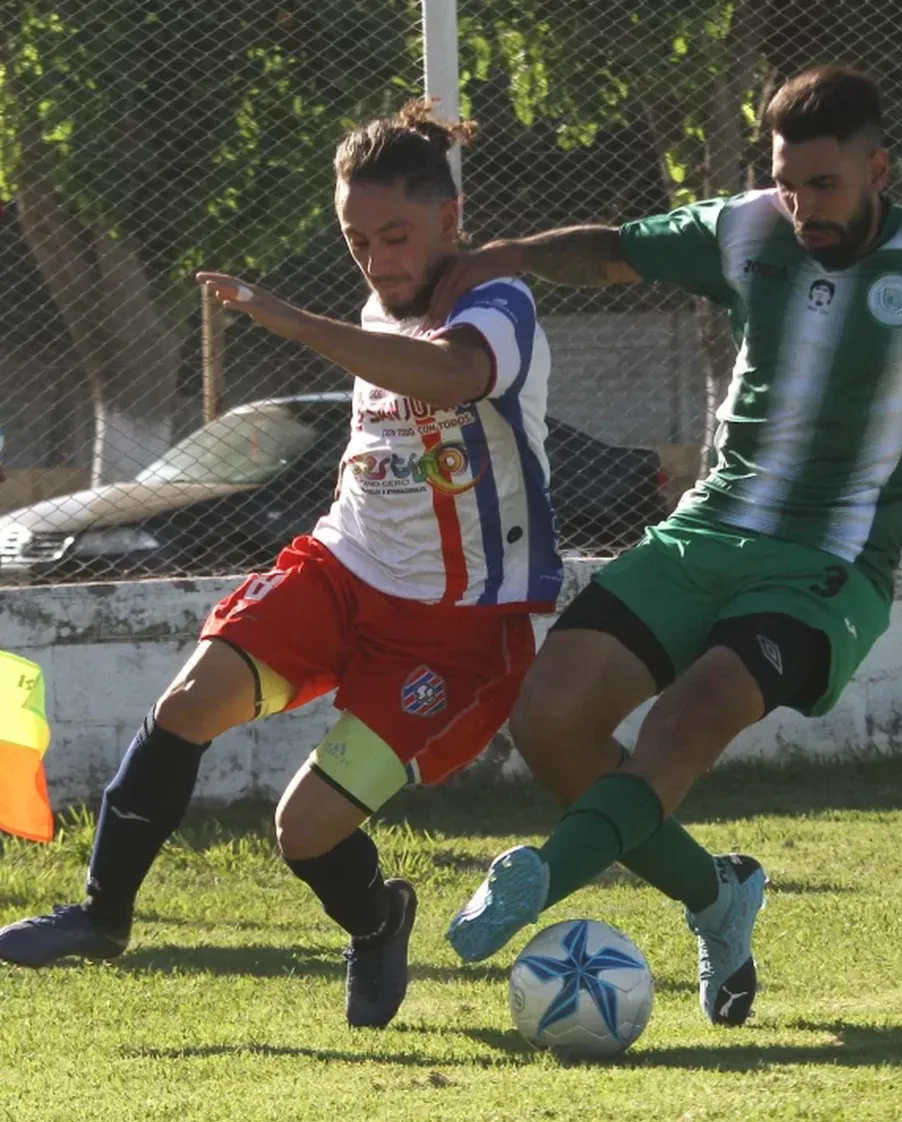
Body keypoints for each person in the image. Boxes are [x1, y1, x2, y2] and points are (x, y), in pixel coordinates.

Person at [428, 65, 902, 1027]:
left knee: (688, 720)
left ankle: (537, 877)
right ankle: (716, 897)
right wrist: (507, 253)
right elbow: (613, 253)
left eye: (824, 185)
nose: (802, 206)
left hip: (828, 565)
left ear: (878, 169)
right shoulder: (749, 229)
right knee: (551, 720)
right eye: (788, 181)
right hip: (705, 531)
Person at [0, 102, 563, 1029]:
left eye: (396, 237)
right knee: (184, 707)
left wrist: (293, 323)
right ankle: (100, 919)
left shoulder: (498, 302)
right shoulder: (379, 305)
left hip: (454, 623)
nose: (379, 262)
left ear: (450, 223)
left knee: (303, 833)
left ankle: (379, 918)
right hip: (340, 571)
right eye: (357, 239)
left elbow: (455, 377)